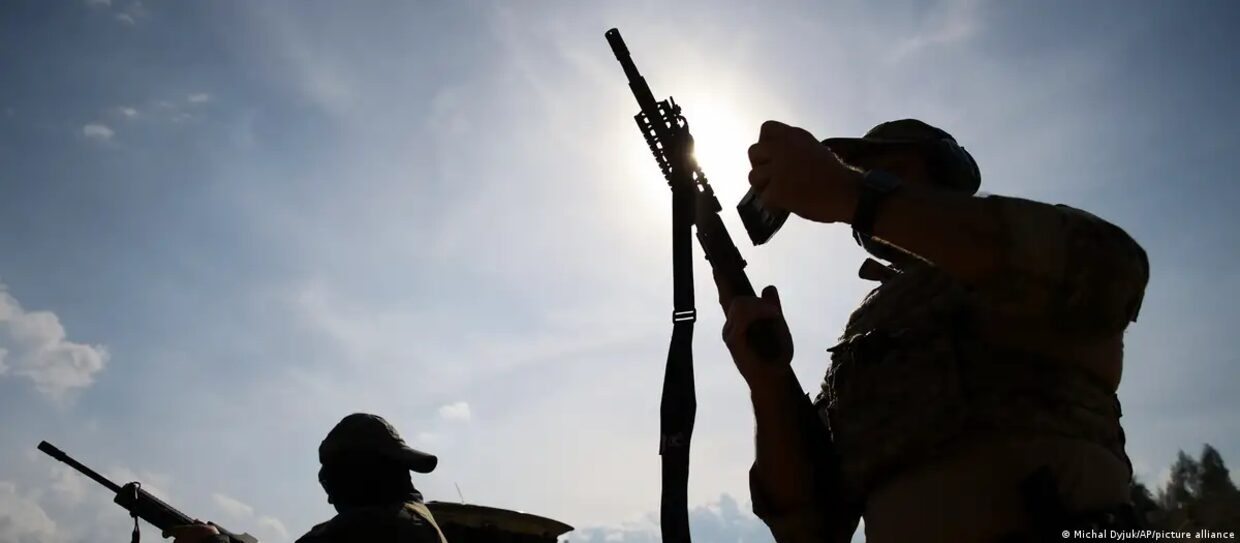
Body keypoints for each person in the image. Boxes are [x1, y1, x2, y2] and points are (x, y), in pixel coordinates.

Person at [719, 119, 1149, 543]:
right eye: (861, 173)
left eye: (889, 172)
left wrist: (851, 192)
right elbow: (806, 525)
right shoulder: (864, 332)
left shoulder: (1018, 256)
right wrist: (770, 381)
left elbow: (1112, 274)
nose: (869, 181)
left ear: (946, 175)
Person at [172, 413, 449, 543]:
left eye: (332, 483)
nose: (330, 499)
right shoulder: (415, 519)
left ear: (358, 473)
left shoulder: (378, 526)